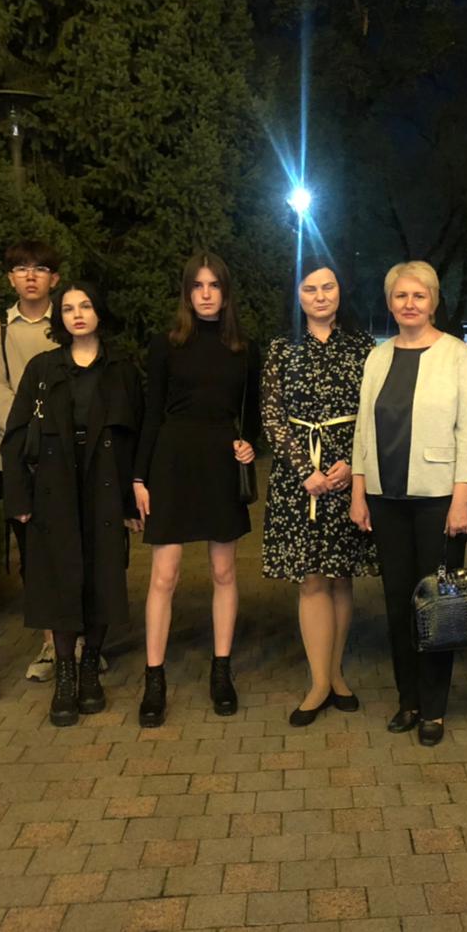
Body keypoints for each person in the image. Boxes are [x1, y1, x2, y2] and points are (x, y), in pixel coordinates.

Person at [350, 261, 467, 747]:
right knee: (397, 604)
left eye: (419, 296)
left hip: (438, 500)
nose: (410, 304)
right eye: (401, 296)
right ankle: (407, 701)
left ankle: (435, 707)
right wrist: (359, 493)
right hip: (385, 499)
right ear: (390, 303)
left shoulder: (456, 356)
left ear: (433, 302)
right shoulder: (378, 357)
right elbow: (363, 428)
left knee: (437, 606)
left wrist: (462, 500)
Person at [1, 283, 143, 726]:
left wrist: (133, 498)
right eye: (67, 308)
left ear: (100, 312)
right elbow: (15, 434)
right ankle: (64, 673)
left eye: (85, 305)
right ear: (59, 317)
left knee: (103, 573)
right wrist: (18, 498)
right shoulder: (43, 368)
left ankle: (90, 668)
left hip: (105, 483)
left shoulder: (121, 368)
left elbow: (138, 436)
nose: (77, 314)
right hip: (54, 486)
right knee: (59, 576)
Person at [133, 252, 260, 726]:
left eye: (214, 285)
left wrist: (250, 443)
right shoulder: (165, 344)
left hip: (220, 462)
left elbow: (252, 413)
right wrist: (138, 477)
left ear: (226, 292)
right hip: (172, 460)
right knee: (163, 576)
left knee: (224, 571)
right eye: (198, 286)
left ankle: (221, 671)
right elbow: (151, 412)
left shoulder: (244, 348)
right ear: (187, 292)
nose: (206, 294)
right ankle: (154, 679)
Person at [262, 262, 378, 726]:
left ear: (340, 290)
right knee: (311, 578)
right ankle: (317, 683)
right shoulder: (280, 348)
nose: (320, 295)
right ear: (297, 294)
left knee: (340, 577)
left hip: (348, 475)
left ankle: (336, 674)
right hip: (300, 481)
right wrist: (303, 470)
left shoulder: (363, 347)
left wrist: (352, 462)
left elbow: (374, 413)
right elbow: (271, 415)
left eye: (328, 286)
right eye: (310, 288)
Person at [0, 240, 67, 682]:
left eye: (40, 268)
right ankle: (51, 643)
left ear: (55, 278)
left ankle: (80, 639)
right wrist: (32, 436)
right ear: (10, 277)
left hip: (67, 456)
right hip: (19, 458)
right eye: (21, 268)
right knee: (34, 557)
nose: (30, 276)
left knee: (73, 550)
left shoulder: (68, 318)